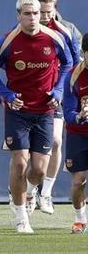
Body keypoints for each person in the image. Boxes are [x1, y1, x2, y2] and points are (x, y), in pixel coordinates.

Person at [0, 0, 72, 233]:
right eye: (27, 13)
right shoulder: (7, 41)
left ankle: (31, 191)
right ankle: (21, 217)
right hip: (18, 111)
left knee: (39, 170)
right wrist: (6, 94)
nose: (33, 18)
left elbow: (68, 63)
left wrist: (60, 89)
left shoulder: (55, 38)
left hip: (46, 110)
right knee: (20, 161)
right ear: (18, 15)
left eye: (36, 13)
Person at [32, 0, 81, 214]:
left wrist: (61, 90)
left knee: (56, 141)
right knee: (28, 152)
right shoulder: (23, 29)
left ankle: (46, 194)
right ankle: (29, 189)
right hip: (29, 98)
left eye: (48, 11)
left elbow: (75, 63)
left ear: (55, 8)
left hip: (57, 95)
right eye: (40, 11)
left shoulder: (67, 30)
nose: (44, 16)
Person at [62, 33, 88, 234]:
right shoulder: (73, 76)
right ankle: (80, 219)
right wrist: (79, 116)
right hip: (78, 134)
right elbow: (68, 111)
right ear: (82, 53)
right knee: (78, 180)